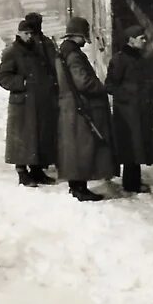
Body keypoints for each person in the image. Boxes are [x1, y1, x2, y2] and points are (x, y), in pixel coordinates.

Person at [55, 16, 119, 201]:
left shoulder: (63, 52)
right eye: (84, 36)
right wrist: (100, 87)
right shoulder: (74, 55)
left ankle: (76, 186)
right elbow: (83, 82)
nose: (85, 40)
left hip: (70, 107)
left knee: (75, 148)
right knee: (83, 148)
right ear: (79, 35)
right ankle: (80, 189)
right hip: (80, 107)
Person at [0, 19, 59, 187]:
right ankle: (22, 172)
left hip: (38, 102)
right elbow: (3, 77)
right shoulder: (11, 51)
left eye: (31, 33)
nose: (29, 36)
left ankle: (37, 171)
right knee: (22, 139)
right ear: (18, 33)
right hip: (22, 103)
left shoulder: (37, 49)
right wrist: (21, 83)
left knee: (37, 136)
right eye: (26, 33)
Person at [105, 25, 153, 193]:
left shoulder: (138, 58)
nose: (145, 41)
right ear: (131, 40)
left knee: (137, 147)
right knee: (131, 147)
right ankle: (130, 184)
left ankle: (134, 181)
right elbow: (110, 85)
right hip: (128, 112)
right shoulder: (119, 59)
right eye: (142, 38)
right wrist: (129, 95)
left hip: (139, 110)